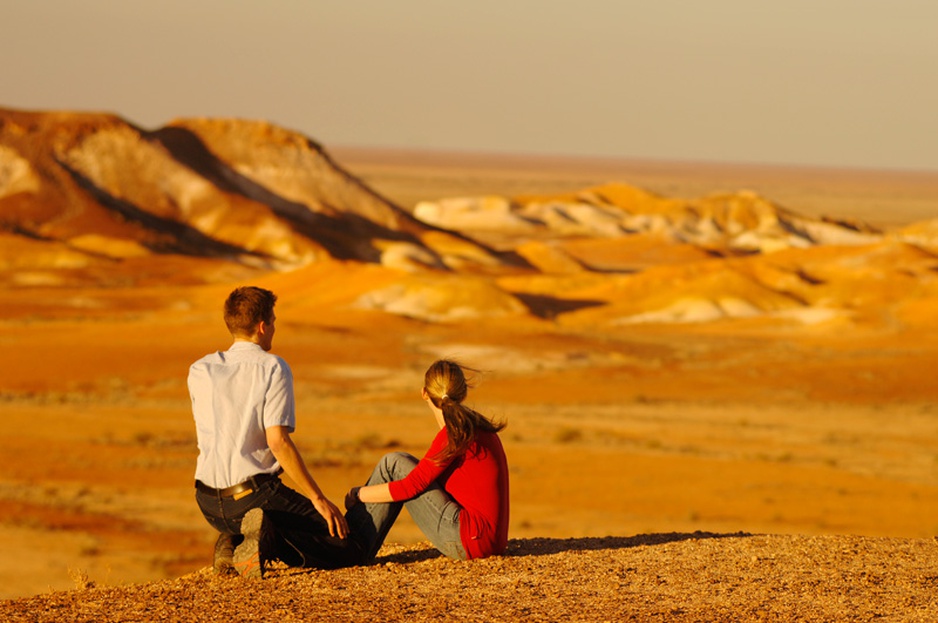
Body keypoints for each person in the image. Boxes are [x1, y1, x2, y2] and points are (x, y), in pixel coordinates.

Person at [189, 286, 359, 578]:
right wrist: (318, 498)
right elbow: (277, 441)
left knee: (270, 516)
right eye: (274, 321)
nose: (275, 328)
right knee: (348, 546)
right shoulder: (272, 367)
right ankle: (265, 541)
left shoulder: (200, 369)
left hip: (207, 503)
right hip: (252, 496)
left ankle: (233, 539)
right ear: (262, 326)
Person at [344, 359, 510, 561]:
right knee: (400, 462)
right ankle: (351, 543)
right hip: (489, 540)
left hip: (470, 541)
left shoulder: (454, 434)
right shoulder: (476, 427)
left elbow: (410, 487)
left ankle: (347, 546)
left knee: (393, 464)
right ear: (463, 392)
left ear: (424, 393)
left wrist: (358, 493)